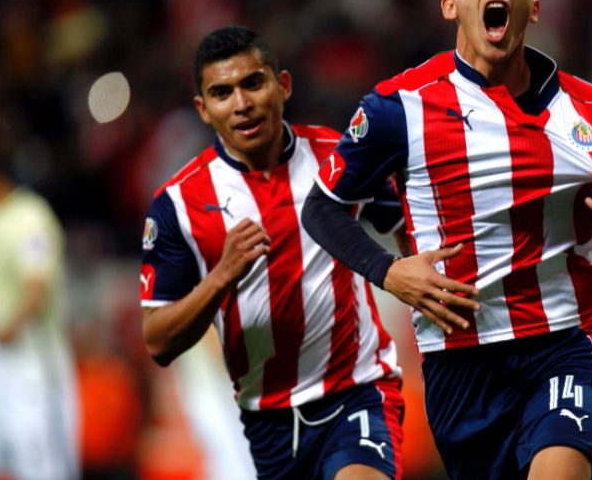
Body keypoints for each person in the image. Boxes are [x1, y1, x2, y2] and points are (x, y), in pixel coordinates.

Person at [302, 0, 592, 479]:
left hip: (565, 338)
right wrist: (390, 273)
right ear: (450, 4)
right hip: (459, 360)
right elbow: (321, 208)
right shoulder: (399, 108)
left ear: (533, 7)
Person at [139, 25, 407, 480]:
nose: (241, 103)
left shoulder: (338, 158)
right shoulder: (177, 205)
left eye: (253, 83)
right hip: (267, 421)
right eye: (222, 93)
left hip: (358, 390)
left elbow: (408, 229)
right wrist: (221, 275)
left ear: (282, 85)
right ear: (204, 110)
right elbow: (158, 341)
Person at [0, 117, 80, 480]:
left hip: (32, 360)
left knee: (43, 465)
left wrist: (10, 327)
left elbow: (37, 284)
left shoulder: (28, 214)